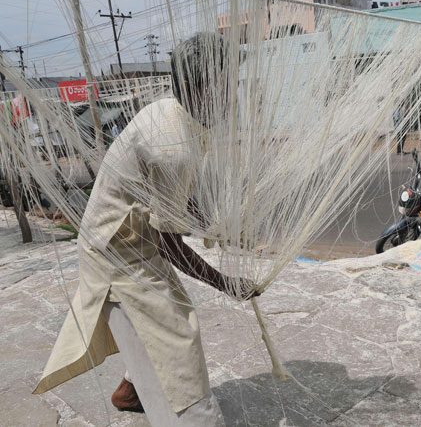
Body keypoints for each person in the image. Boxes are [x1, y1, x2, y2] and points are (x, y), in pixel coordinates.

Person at [34, 33, 259, 426]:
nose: (231, 92)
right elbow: (171, 246)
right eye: (224, 83)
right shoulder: (173, 143)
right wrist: (227, 283)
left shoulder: (177, 113)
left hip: (129, 240)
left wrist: (212, 223)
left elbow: (173, 196)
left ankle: (129, 391)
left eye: (233, 80)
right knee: (176, 338)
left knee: (167, 316)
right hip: (115, 255)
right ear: (195, 86)